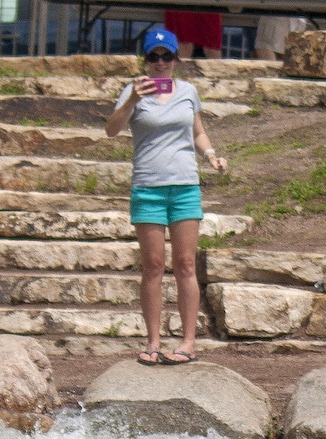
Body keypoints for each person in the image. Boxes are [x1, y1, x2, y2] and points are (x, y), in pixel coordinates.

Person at [106, 28, 228, 368]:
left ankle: (188, 342)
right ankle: (153, 341)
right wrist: (132, 99)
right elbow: (111, 129)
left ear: (176, 59)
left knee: (186, 265)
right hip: (148, 188)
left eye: (167, 56)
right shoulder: (133, 92)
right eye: (153, 57)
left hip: (185, 186)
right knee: (154, 267)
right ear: (145, 60)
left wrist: (211, 156)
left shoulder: (188, 91)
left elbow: (198, 130)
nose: (160, 64)